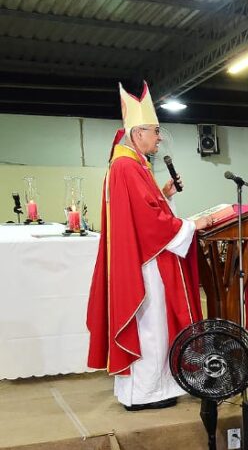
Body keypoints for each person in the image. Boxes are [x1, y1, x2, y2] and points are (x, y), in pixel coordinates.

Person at [86, 83, 216, 411]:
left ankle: (150, 389)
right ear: (138, 131)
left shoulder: (132, 163)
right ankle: (144, 393)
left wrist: (166, 194)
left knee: (155, 326)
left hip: (145, 258)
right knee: (151, 327)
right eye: (156, 132)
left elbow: (145, 209)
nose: (159, 138)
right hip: (145, 264)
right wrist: (191, 225)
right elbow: (148, 221)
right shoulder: (127, 166)